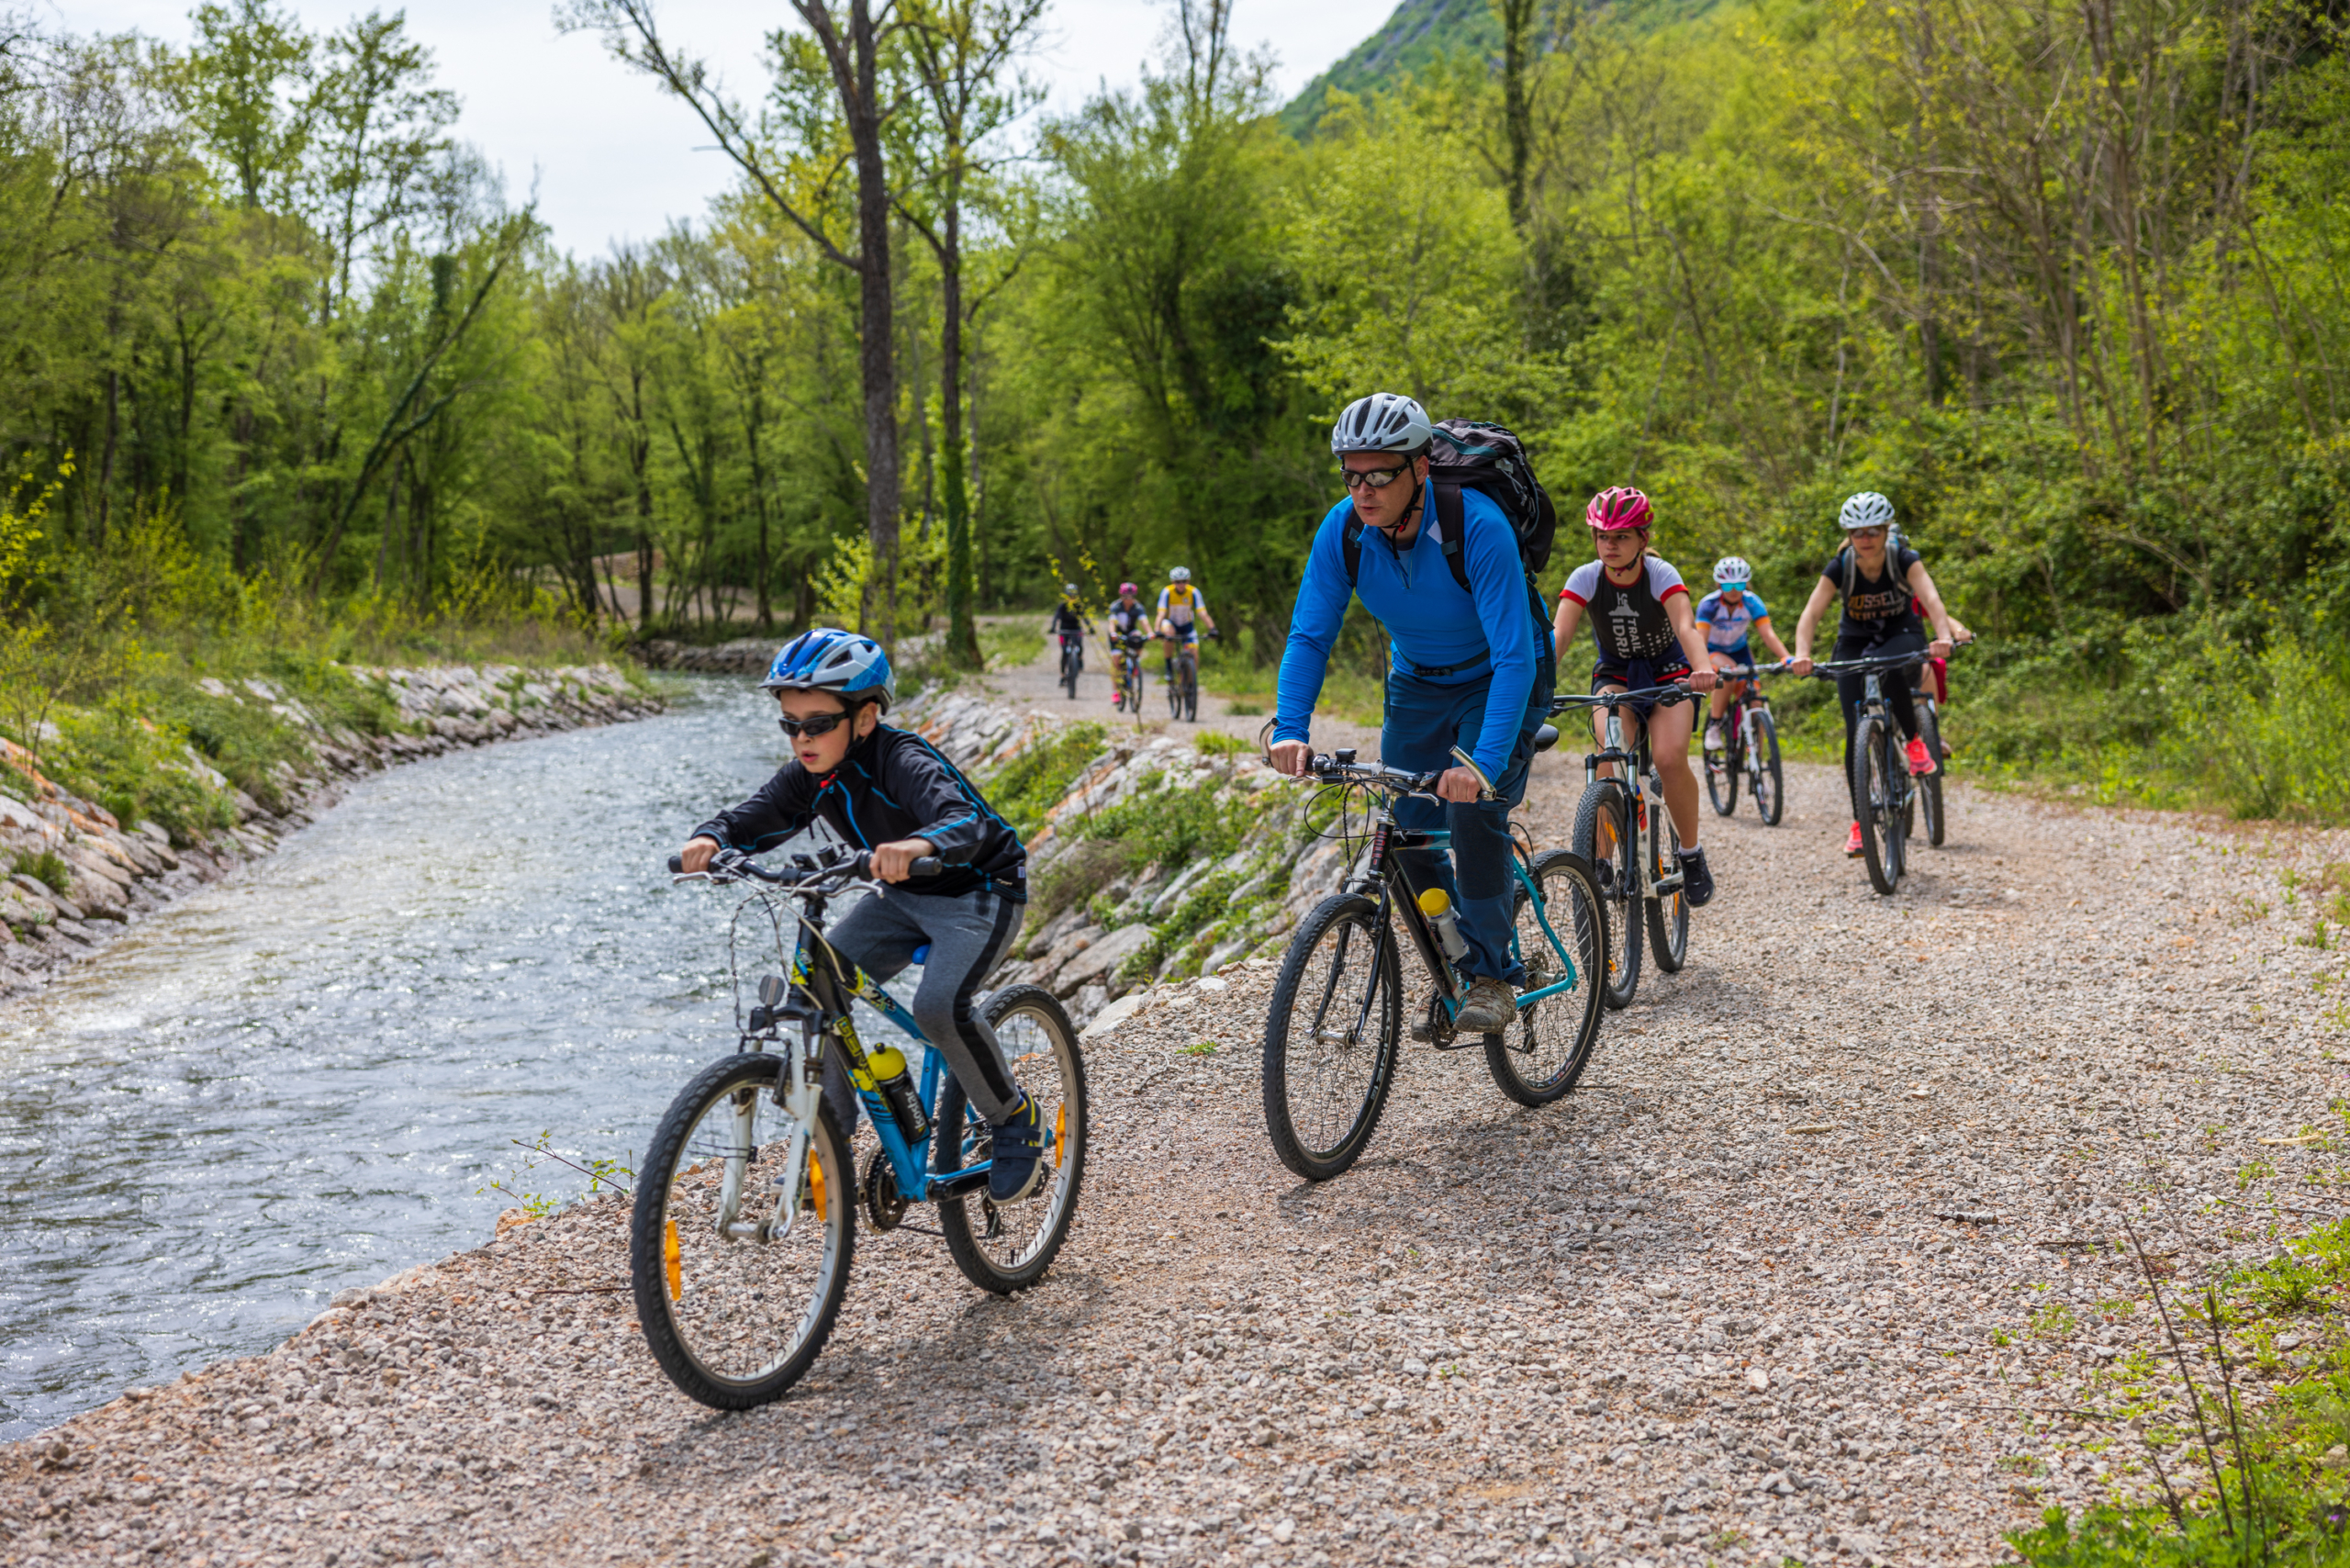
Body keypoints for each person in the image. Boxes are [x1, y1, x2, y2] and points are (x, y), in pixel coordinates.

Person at [676, 629, 1045, 1204]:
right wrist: (711, 837)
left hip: (979, 889)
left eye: (817, 723)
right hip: (899, 896)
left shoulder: (902, 758)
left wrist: (918, 845)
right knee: (818, 987)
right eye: (790, 724)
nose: (801, 737)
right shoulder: (811, 773)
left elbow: (964, 821)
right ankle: (830, 1142)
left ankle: (1012, 1116)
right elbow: (758, 815)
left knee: (937, 1008)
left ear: (865, 717)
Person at [1268, 392, 1554, 1036]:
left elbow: (1514, 657)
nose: (1362, 491)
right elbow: (1310, 636)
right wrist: (1290, 728)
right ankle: (1457, 955)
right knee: (1408, 825)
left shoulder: (1476, 526)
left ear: (1420, 468)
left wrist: (1480, 764)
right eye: (1351, 475)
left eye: (1379, 475)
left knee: (1473, 811)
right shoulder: (1344, 530)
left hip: (1500, 673)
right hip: (1417, 681)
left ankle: (1493, 975)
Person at [1549, 487, 1720, 906]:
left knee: (1668, 756)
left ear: (1643, 539)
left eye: (1622, 537)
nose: (1610, 545)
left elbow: (1685, 626)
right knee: (1610, 753)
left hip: (1671, 674)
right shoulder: (1585, 577)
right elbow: (1561, 635)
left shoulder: (1660, 573)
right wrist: (1530, 683)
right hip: (1616, 676)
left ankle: (1690, 854)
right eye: (1603, 536)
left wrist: (1703, 668)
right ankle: (1602, 862)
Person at [1788, 492, 1959, 857]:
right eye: (1857, 532)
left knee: (1889, 663)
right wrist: (1802, 655)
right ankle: (1859, 824)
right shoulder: (1841, 565)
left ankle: (1915, 743)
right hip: (1854, 639)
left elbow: (1931, 599)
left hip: (1902, 633)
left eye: (1873, 531)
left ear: (1885, 531)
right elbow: (1811, 614)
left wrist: (1943, 636)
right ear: (1849, 534)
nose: (1865, 539)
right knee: (1854, 732)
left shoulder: (1903, 558)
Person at [1695, 556, 1792, 756]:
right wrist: (1701, 665)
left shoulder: (1752, 602)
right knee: (1729, 672)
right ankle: (1714, 725)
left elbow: (1768, 634)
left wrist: (1787, 658)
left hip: (1741, 652)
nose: (1733, 590)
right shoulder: (1709, 605)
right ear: (1718, 584)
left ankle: (1755, 756)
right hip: (1713, 651)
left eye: (1739, 584)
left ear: (1746, 583)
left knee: (1755, 701)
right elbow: (1700, 640)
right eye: (1727, 585)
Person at [1156, 567, 1216, 687]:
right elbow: (1161, 613)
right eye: (1178, 582)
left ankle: (1189, 685)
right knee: (1169, 632)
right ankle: (1168, 667)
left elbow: (1202, 612)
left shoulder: (1193, 592)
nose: (1181, 584)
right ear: (1173, 582)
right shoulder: (1167, 592)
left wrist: (1212, 628)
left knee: (1194, 654)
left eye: (1184, 581)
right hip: (1170, 622)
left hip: (1187, 626)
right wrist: (1157, 630)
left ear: (1188, 581)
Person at [1104, 583, 1150, 711]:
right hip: (1117, 635)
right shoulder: (1115, 606)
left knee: (1140, 637)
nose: (1128, 599)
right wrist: (1113, 633)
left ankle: (1135, 663)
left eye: (1131, 596)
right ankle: (1116, 692)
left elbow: (1144, 621)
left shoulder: (1138, 607)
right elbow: (1112, 622)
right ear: (1121, 596)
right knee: (1117, 661)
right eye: (1126, 596)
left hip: (1131, 633)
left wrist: (1150, 633)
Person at [1046, 584, 1085, 685]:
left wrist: (1091, 628)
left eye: (1073, 596)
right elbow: (1056, 617)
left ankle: (1079, 660)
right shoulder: (1062, 606)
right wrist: (1053, 628)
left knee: (1080, 646)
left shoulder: (1078, 606)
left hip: (1076, 629)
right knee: (1064, 653)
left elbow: (1085, 618)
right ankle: (1063, 675)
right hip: (1064, 630)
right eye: (1069, 596)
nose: (1071, 598)